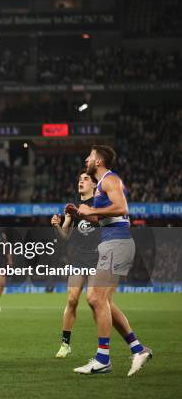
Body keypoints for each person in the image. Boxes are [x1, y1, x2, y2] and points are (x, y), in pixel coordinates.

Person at [67, 145, 152, 376]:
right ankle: (138, 348)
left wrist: (90, 212)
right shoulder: (101, 187)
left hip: (117, 243)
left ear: (98, 161)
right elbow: (104, 219)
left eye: (90, 156)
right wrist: (81, 214)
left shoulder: (109, 179)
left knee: (95, 297)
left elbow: (122, 208)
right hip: (112, 242)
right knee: (104, 302)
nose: (86, 158)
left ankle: (103, 359)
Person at [50, 172, 99, 358]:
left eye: (86, 179)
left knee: (96, 302)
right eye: (79, 178)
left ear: (94, 185)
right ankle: (65, 344)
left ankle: (101, 346)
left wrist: (79, 213)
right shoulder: (72, 207)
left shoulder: (99, 203)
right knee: (72, 299)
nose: (81, 180)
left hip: (97, 258)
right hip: (79, 259)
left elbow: (100, 221)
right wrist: (57, 225)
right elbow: (64, 238)